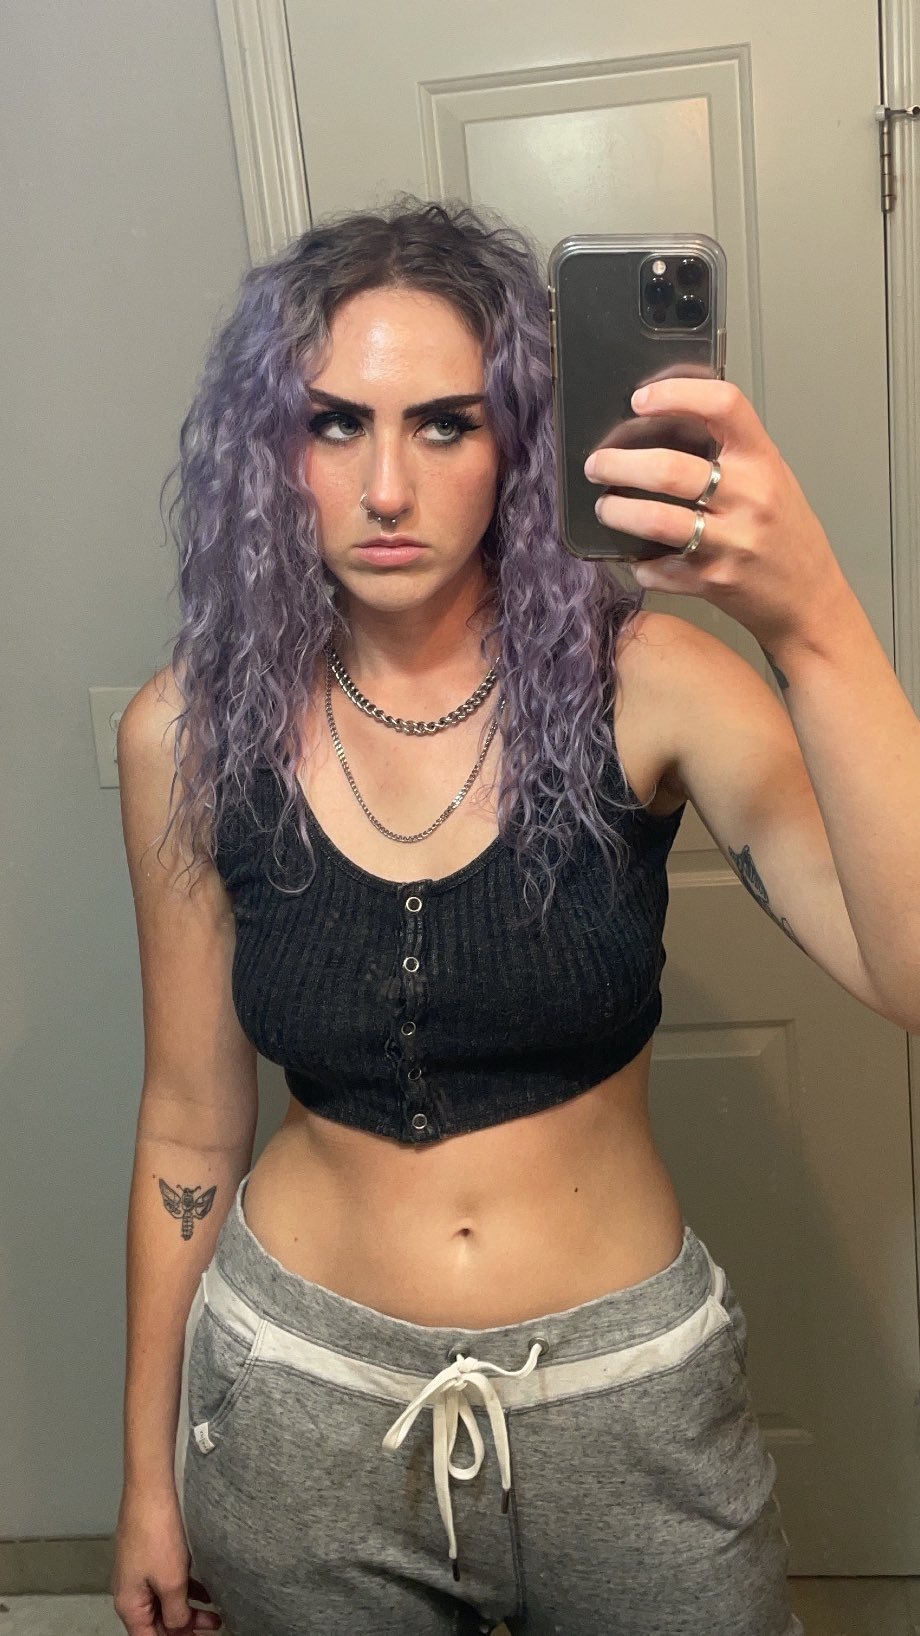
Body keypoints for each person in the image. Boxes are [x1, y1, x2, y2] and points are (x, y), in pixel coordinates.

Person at [112, 195, 920, 1636]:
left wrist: (812, 620)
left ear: (521, 444)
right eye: (334, 424)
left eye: (445, 424)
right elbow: (186, 1123)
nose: (386, 488)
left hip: (624, 1406)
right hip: (296, 1401)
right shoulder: (190, 735)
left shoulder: (655, 686)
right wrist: (147, 1478)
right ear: (269, 448)